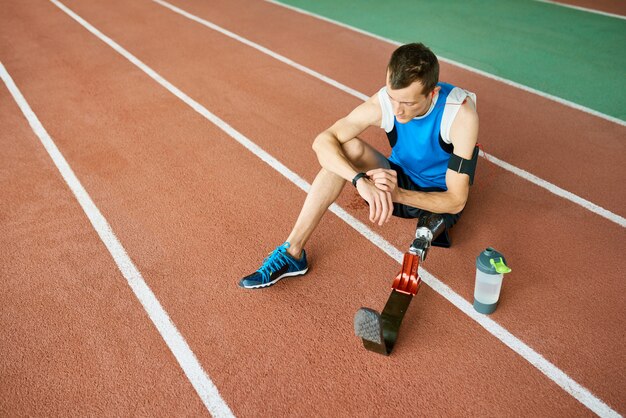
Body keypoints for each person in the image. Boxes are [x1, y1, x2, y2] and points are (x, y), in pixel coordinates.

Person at [239, 42, 479, 289]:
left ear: (433, 93)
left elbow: (456, 200)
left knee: (443, 211)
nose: (397, 110)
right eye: (393, 98)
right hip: (397, 178)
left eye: (408, 103)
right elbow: (322, 141)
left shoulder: (460, 114)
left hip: (438, 195)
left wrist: (397, 194)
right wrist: (360, 181)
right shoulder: (386, 101)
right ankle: (293, 254)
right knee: (346, 149)